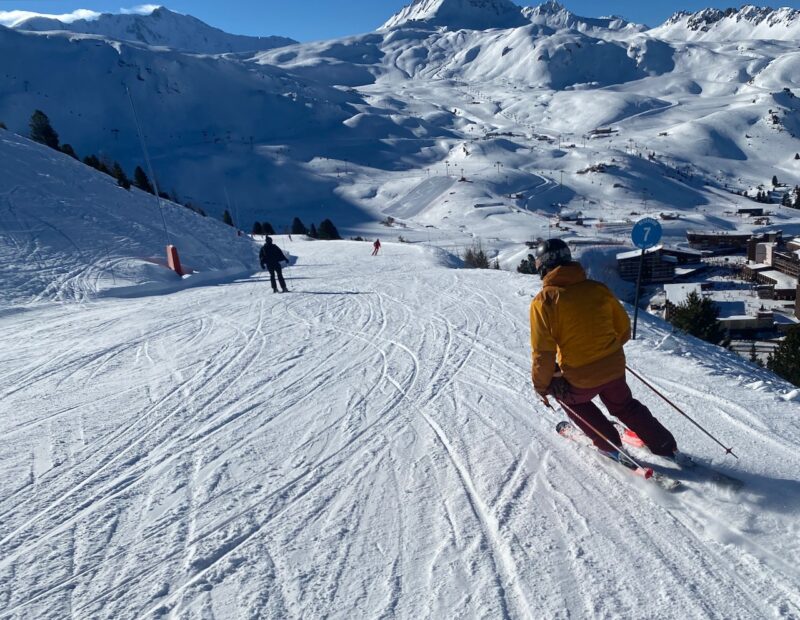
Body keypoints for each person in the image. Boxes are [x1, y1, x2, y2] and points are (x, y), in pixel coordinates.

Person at [529, 238, 678, 459]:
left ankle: (610, 446)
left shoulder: (544, 302)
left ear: (542, 267)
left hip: (579, 376)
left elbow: (544, 351)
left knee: (569, 400)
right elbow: (623, 329)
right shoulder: (598, 288)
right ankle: (664, 444)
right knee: (624, 405)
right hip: (614, 367)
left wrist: (542, 386)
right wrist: (604, 350)